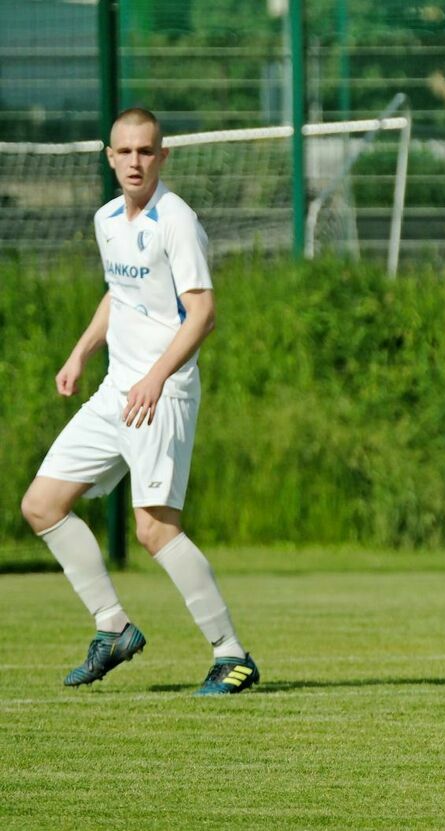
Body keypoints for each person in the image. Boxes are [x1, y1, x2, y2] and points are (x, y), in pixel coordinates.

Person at [20, 108, 257, 696]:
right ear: (109, 155)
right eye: (124, 152)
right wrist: (79, 352)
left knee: (154, 529)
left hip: (163, 392)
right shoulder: (106, 219)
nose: (134, 162)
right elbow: (118, 295)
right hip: (114, 392)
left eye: (145, 152)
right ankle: (113, 627)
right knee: (42, 504)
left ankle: (232, 655)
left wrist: (154, 376)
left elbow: (202, 311)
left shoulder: (176, 220)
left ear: (162, 156)